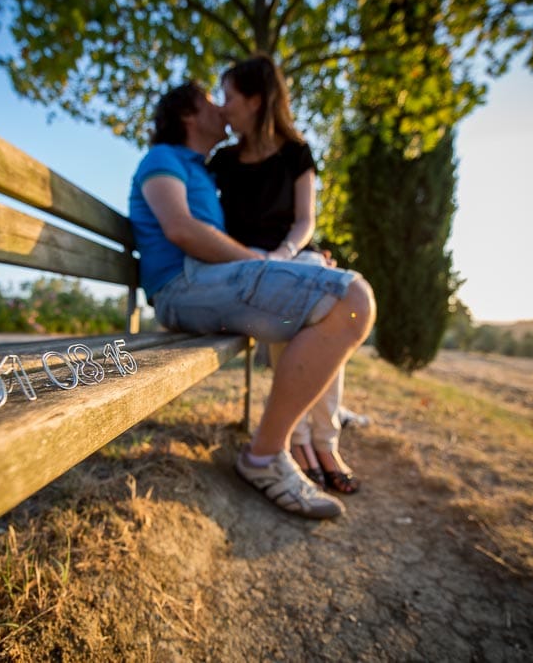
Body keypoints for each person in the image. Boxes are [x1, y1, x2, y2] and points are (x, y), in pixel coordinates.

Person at [128, 81, 376, 519]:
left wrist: (296, 263)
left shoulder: (202, 169)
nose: (221, 109)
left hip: (204, 283)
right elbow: (181, 230)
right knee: (350, 298)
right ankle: (265, 456)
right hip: (181, 288)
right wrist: (264, 260)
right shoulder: (162, 159)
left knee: (342, 295)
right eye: (210, 101)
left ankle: (309, 442)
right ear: (188, 114)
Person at [208, 54, 364, 493]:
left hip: (293, 251)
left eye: (229, 96)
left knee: (328, 300)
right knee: (293, 302)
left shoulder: (297, 152)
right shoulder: (221, 161)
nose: (223, 107)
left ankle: (320, 440)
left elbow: (305, 220)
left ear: (256, 101)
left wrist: (283, 253)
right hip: (246, 262)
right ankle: (300, 440)